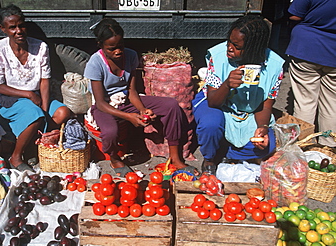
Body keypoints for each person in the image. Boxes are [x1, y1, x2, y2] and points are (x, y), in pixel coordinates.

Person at [84, 18, 197, 177]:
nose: (118, 51)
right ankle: (115, 159)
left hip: (126, 100)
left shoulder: (130, 56)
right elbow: (100, 103)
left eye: (120, 46)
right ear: (100, 45)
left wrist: (143, 110)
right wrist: (128, 116)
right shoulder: (95, 63)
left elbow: (131, 91)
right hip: (105, 105)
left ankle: (175, 157)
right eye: (111, 48)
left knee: (171, 105)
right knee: (110, 131)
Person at [192, 15, 285, 175]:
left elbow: (266, 105)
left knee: (267, 145)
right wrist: (227, 85)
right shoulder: (218, 55)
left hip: (250, 111)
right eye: (229, 41)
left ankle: (225, 152)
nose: (229, 47)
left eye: (236, 46)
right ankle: (209, 158)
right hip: (217, 103)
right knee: (210, 125)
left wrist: (262, 128)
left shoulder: (274, 66)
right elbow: (213, 102)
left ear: (253, 48)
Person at [0, 4, 72, 171]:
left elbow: (44, 81)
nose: (18, 31)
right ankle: (16, 157)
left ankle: (33, 142)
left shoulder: (40, 47)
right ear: (3, 29)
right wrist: (28, 95)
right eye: (12, 27)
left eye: (21, 25)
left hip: (36, 96)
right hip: (10, 98)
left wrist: (45, 109)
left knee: (63, 112)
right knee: (35, 115)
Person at [285, 0, 336, 147]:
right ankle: (328, 147)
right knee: (332, 104)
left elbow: (295, 15)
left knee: (305, 102)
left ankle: (303, 145)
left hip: (307, 48)